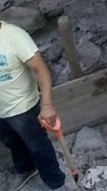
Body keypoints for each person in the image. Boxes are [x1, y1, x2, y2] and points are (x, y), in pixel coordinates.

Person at [0, 20, 66, 191]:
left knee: (38, 147)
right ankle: (26, 169)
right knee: (11, 142)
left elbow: (40, 70)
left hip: (22, 108)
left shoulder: (14, 36)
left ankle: (56, 183)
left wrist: (47, 104)